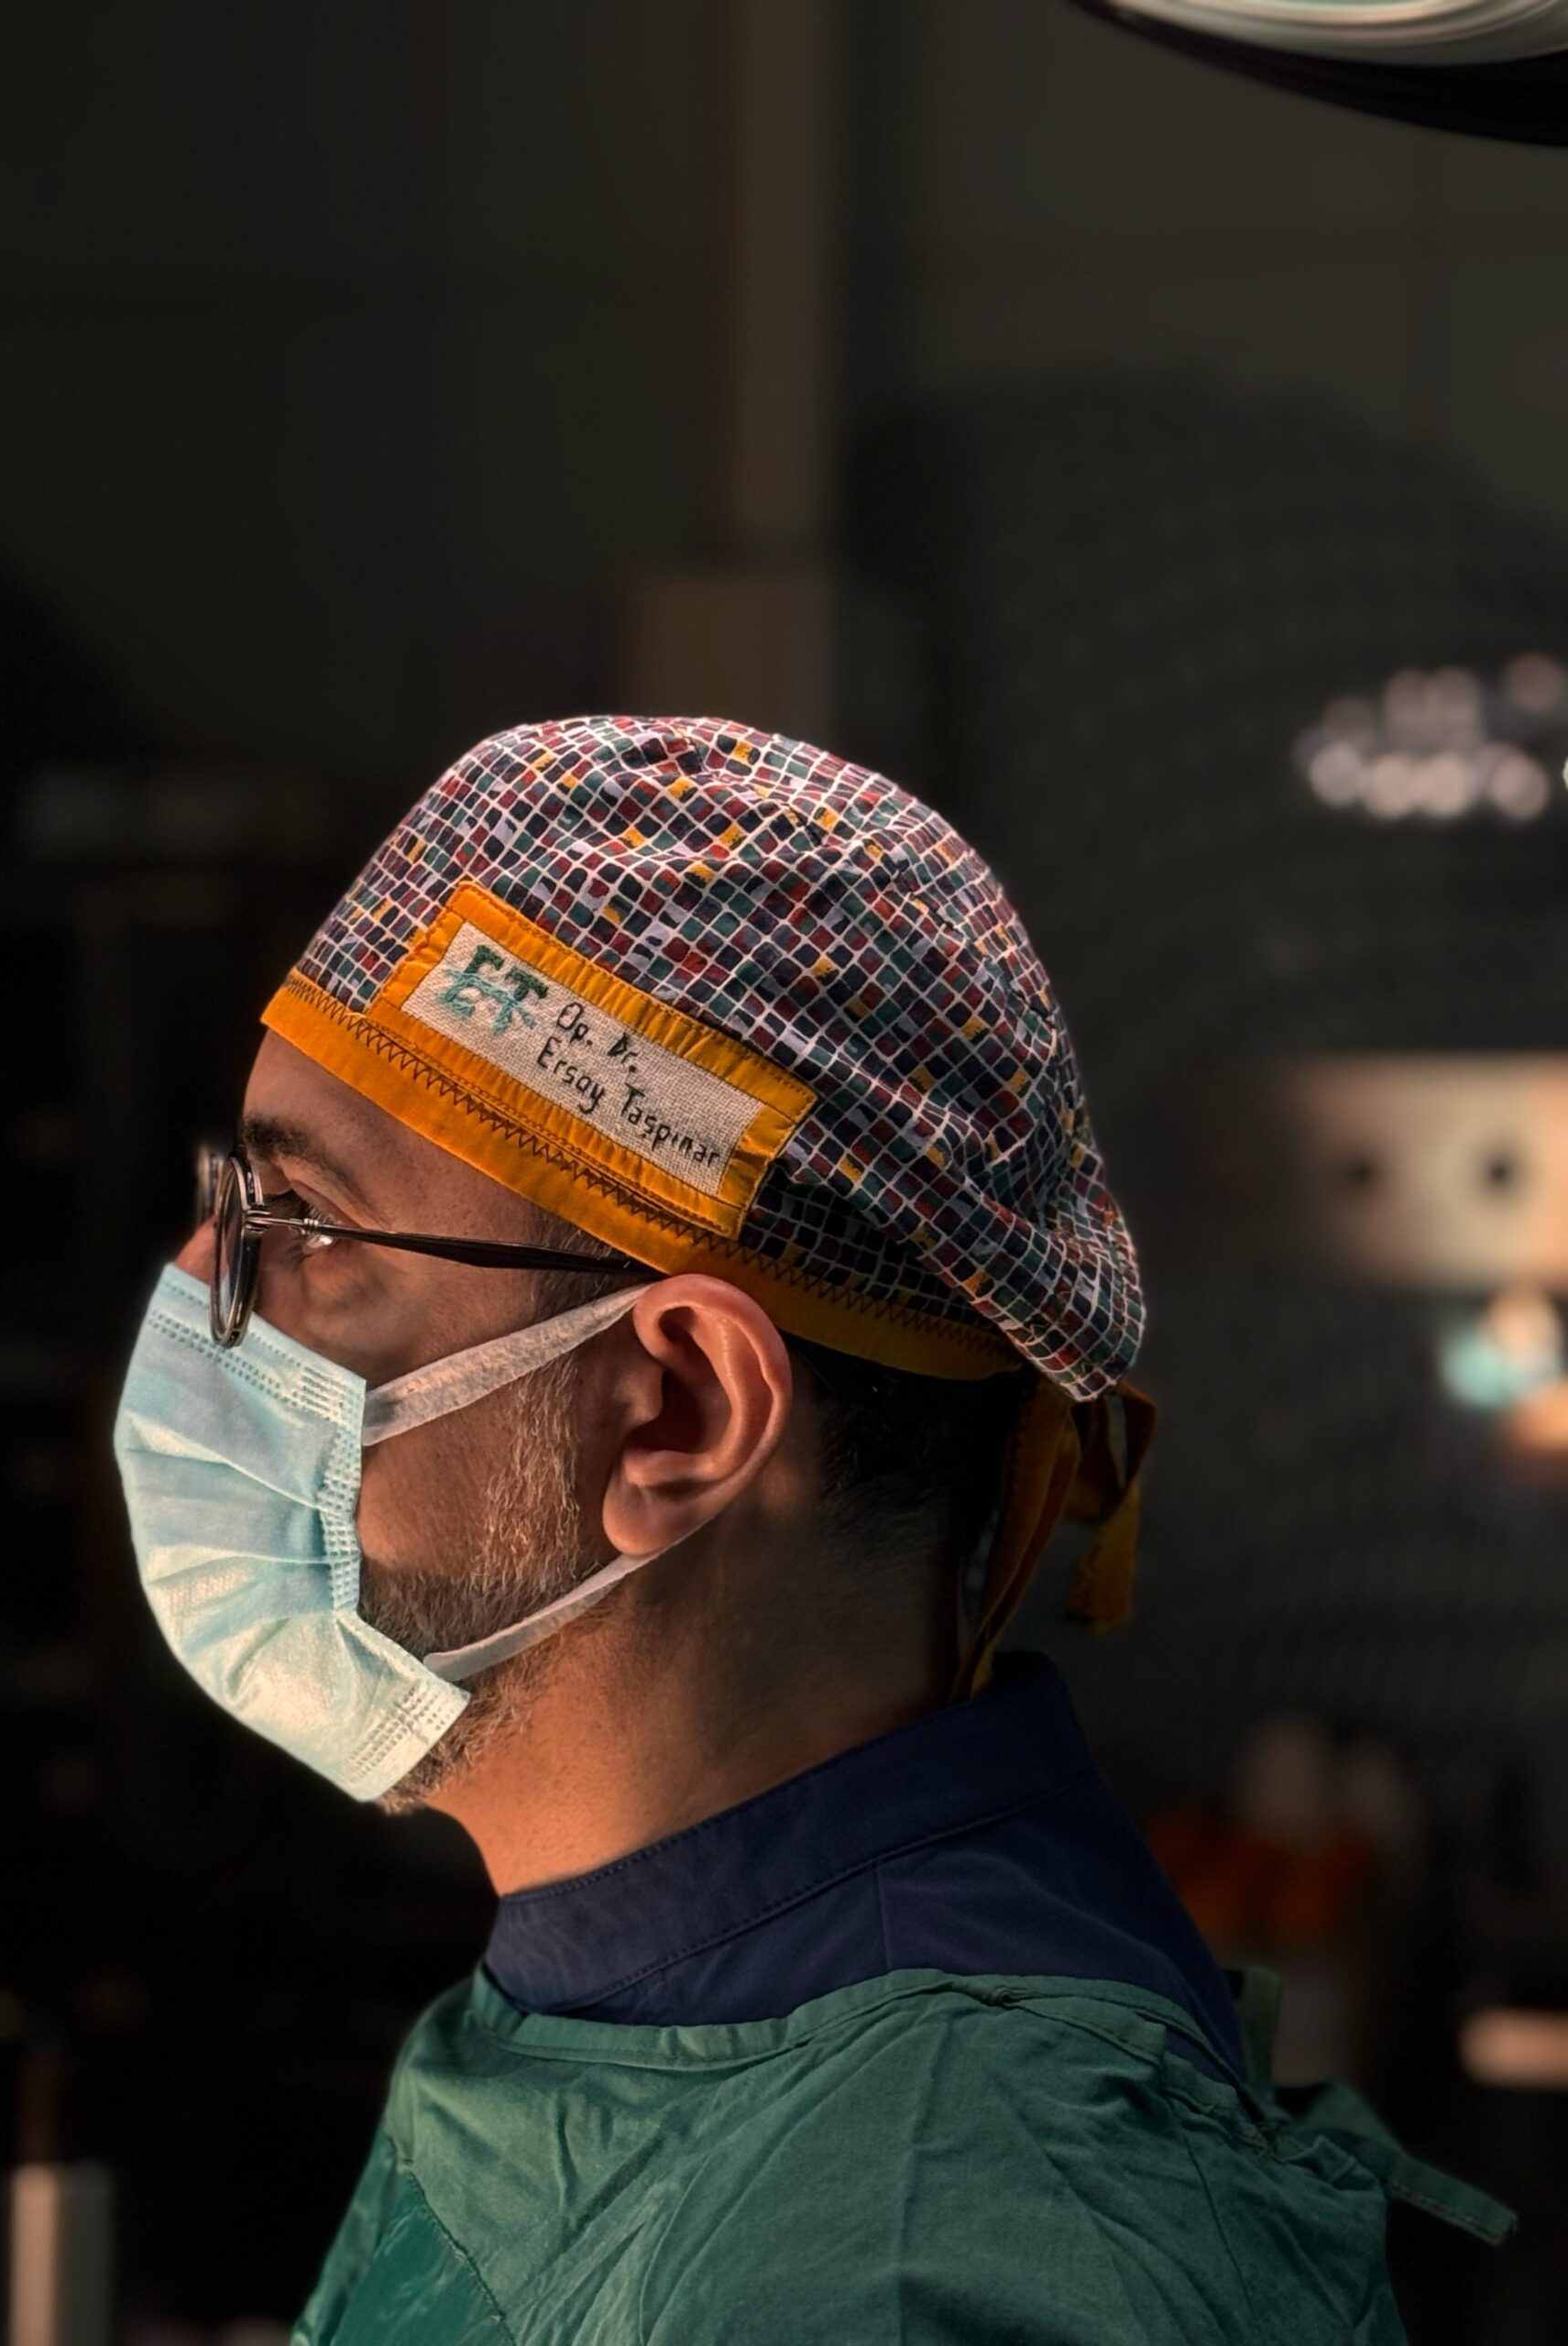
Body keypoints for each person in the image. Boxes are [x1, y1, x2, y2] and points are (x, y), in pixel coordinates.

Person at [115, 715, 1514, 2342]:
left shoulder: (927, 2252)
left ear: (678, 1412)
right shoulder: (657, 1991)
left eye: (302, 1225)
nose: (198, 1291)